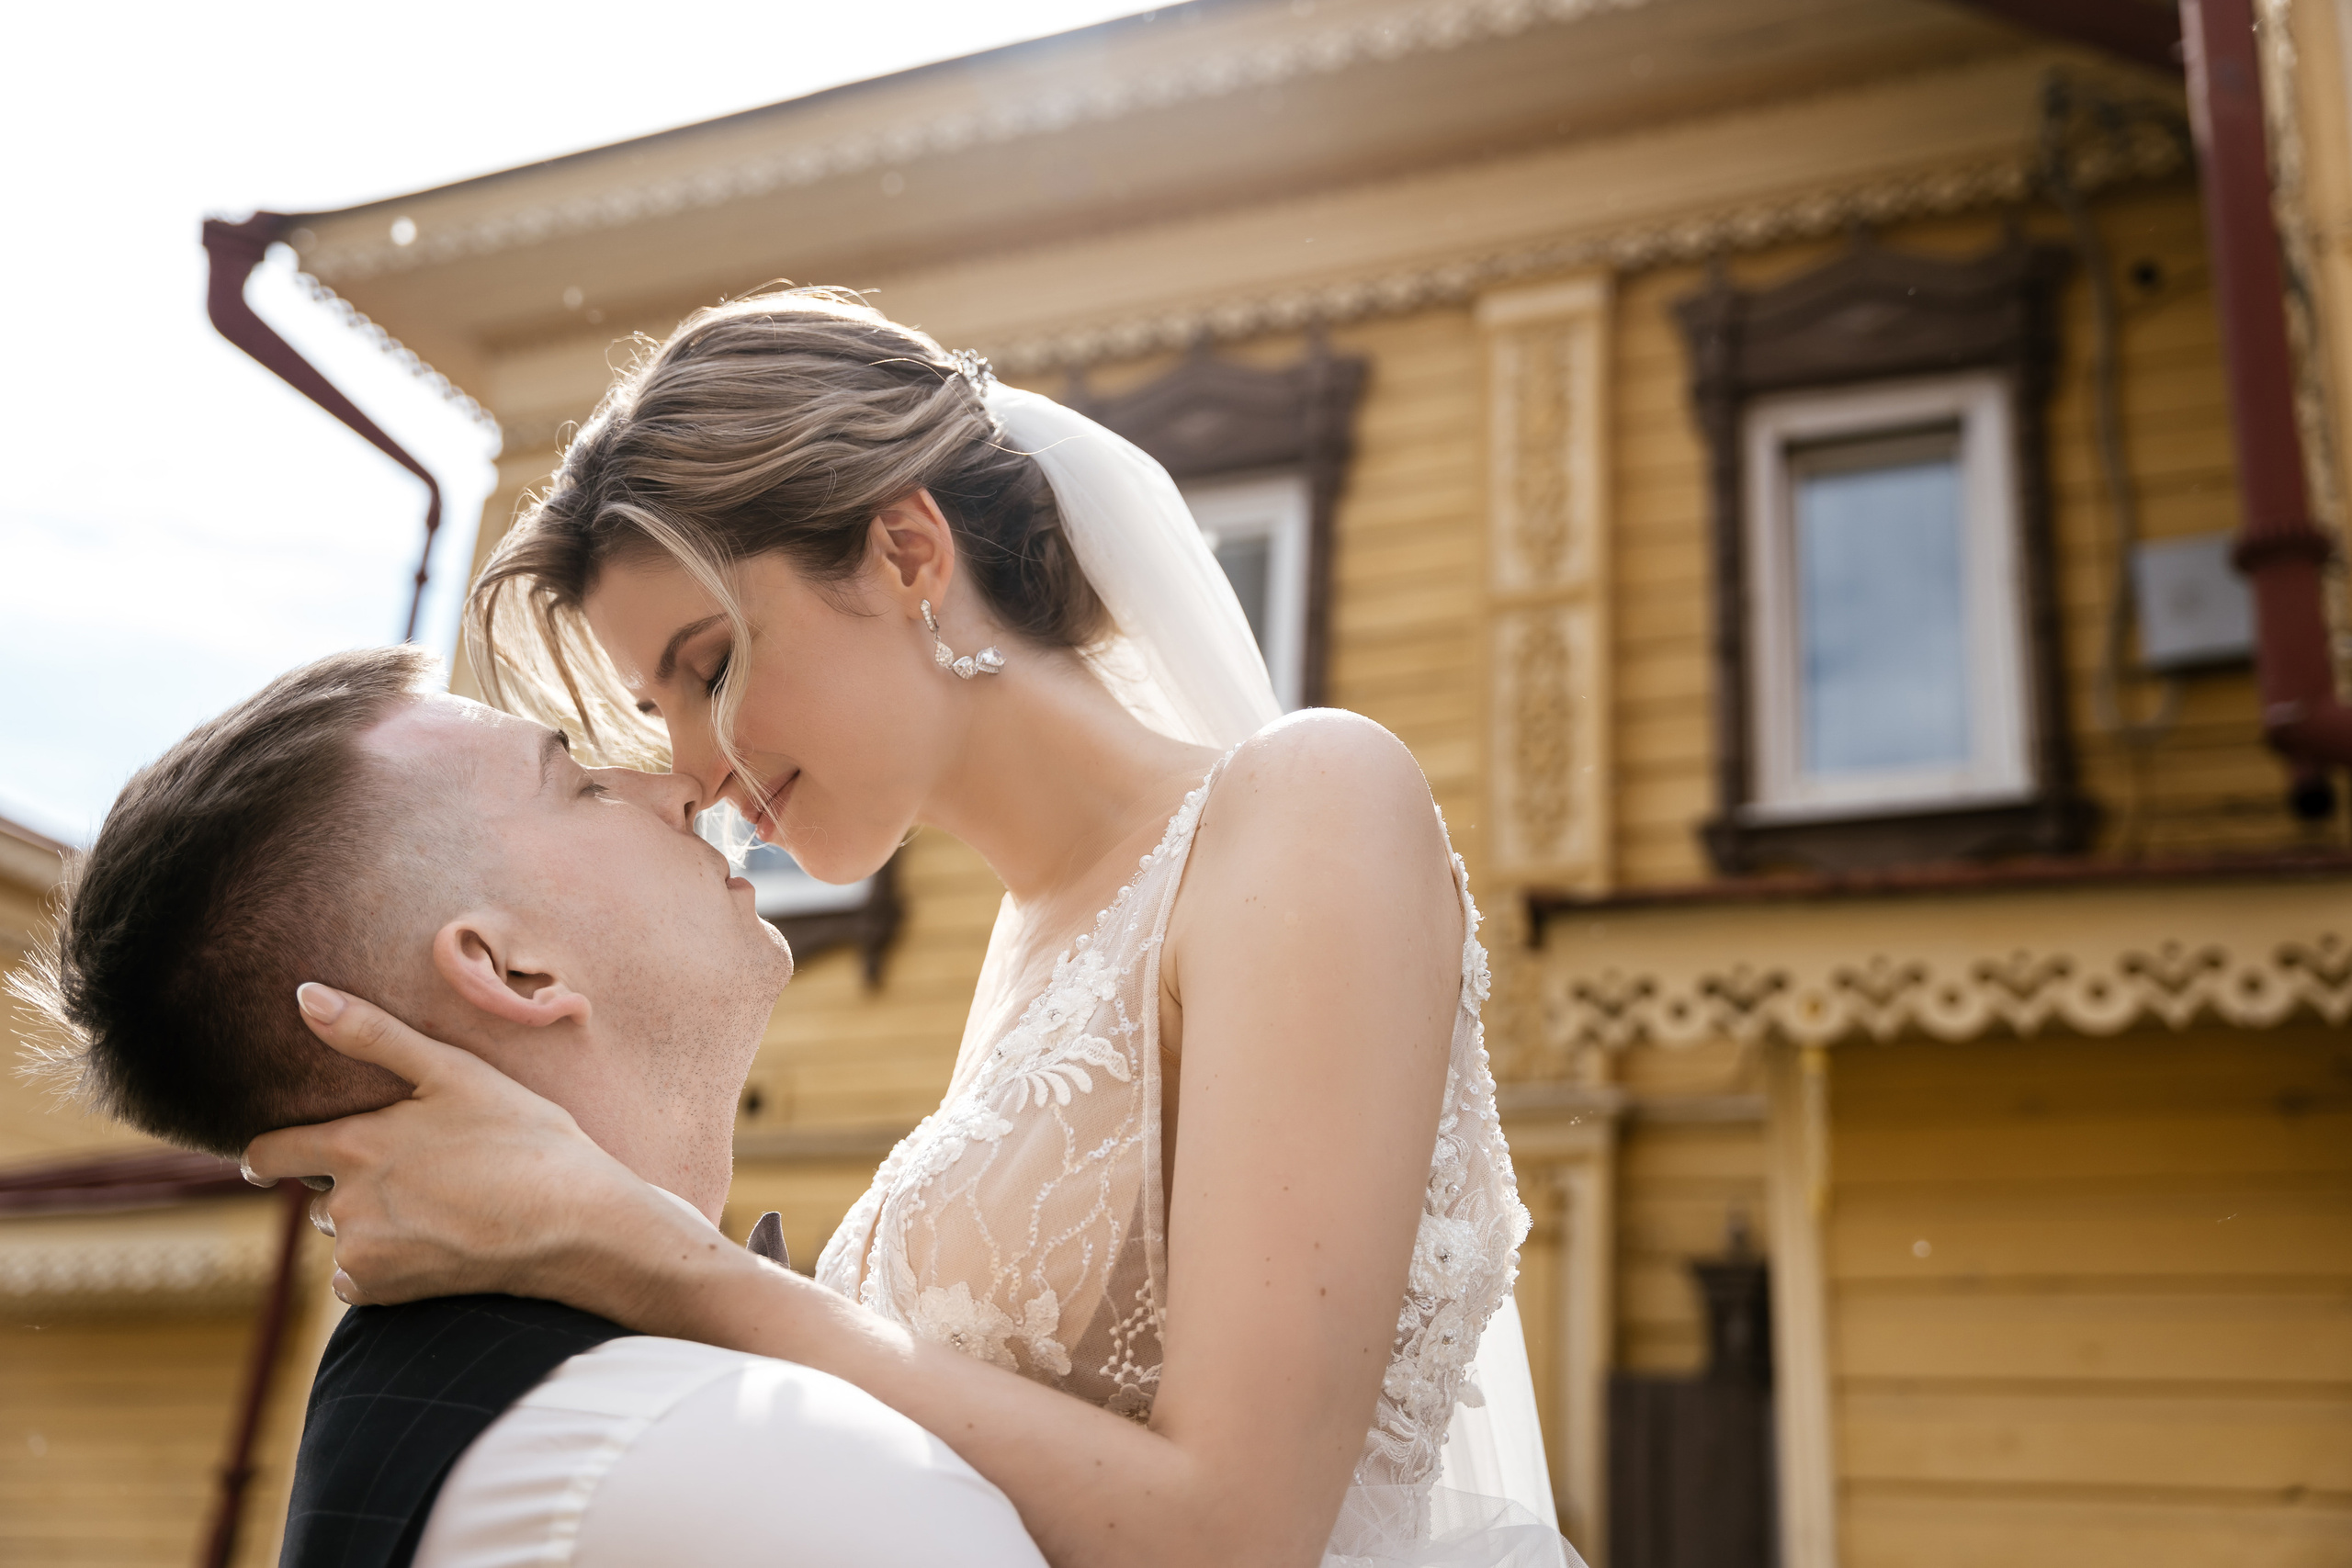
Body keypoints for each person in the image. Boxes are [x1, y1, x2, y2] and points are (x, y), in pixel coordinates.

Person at [247, 288, 1579, 1567]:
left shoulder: (1307, 803)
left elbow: (1231, 1536)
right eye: (659, 713)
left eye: (711, 666)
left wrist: (653, 1258)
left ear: (906, 552)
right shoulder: (1021, 955)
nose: (699, 766)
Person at [13, 645, 1050, 1568]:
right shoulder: (733, 1464)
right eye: (579, 786)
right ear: (509, 968)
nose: (677, 789)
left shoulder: (508, 1422)